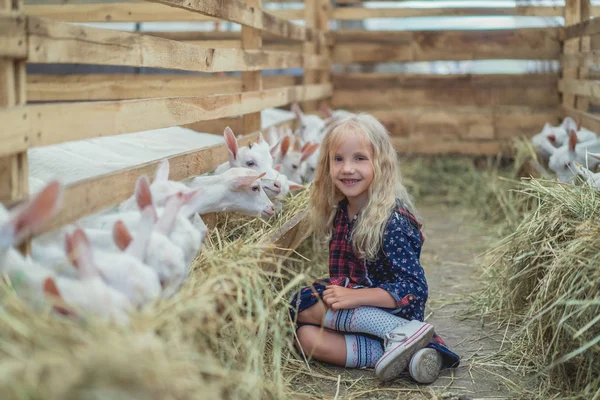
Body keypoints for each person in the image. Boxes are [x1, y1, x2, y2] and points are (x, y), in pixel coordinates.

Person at [289, 113, 460, 383]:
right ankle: (401, 355)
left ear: (380, 163)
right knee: (305, 337)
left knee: (302, 303)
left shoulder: (392, 222)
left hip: (390, 309)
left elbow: (414, 289)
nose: (347, 168)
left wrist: (356, 297)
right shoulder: (342, 211)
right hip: (358, 313)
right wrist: (348, 295)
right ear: (327, 165)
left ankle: (400, 333)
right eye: (338, 159)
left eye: (359, 158)